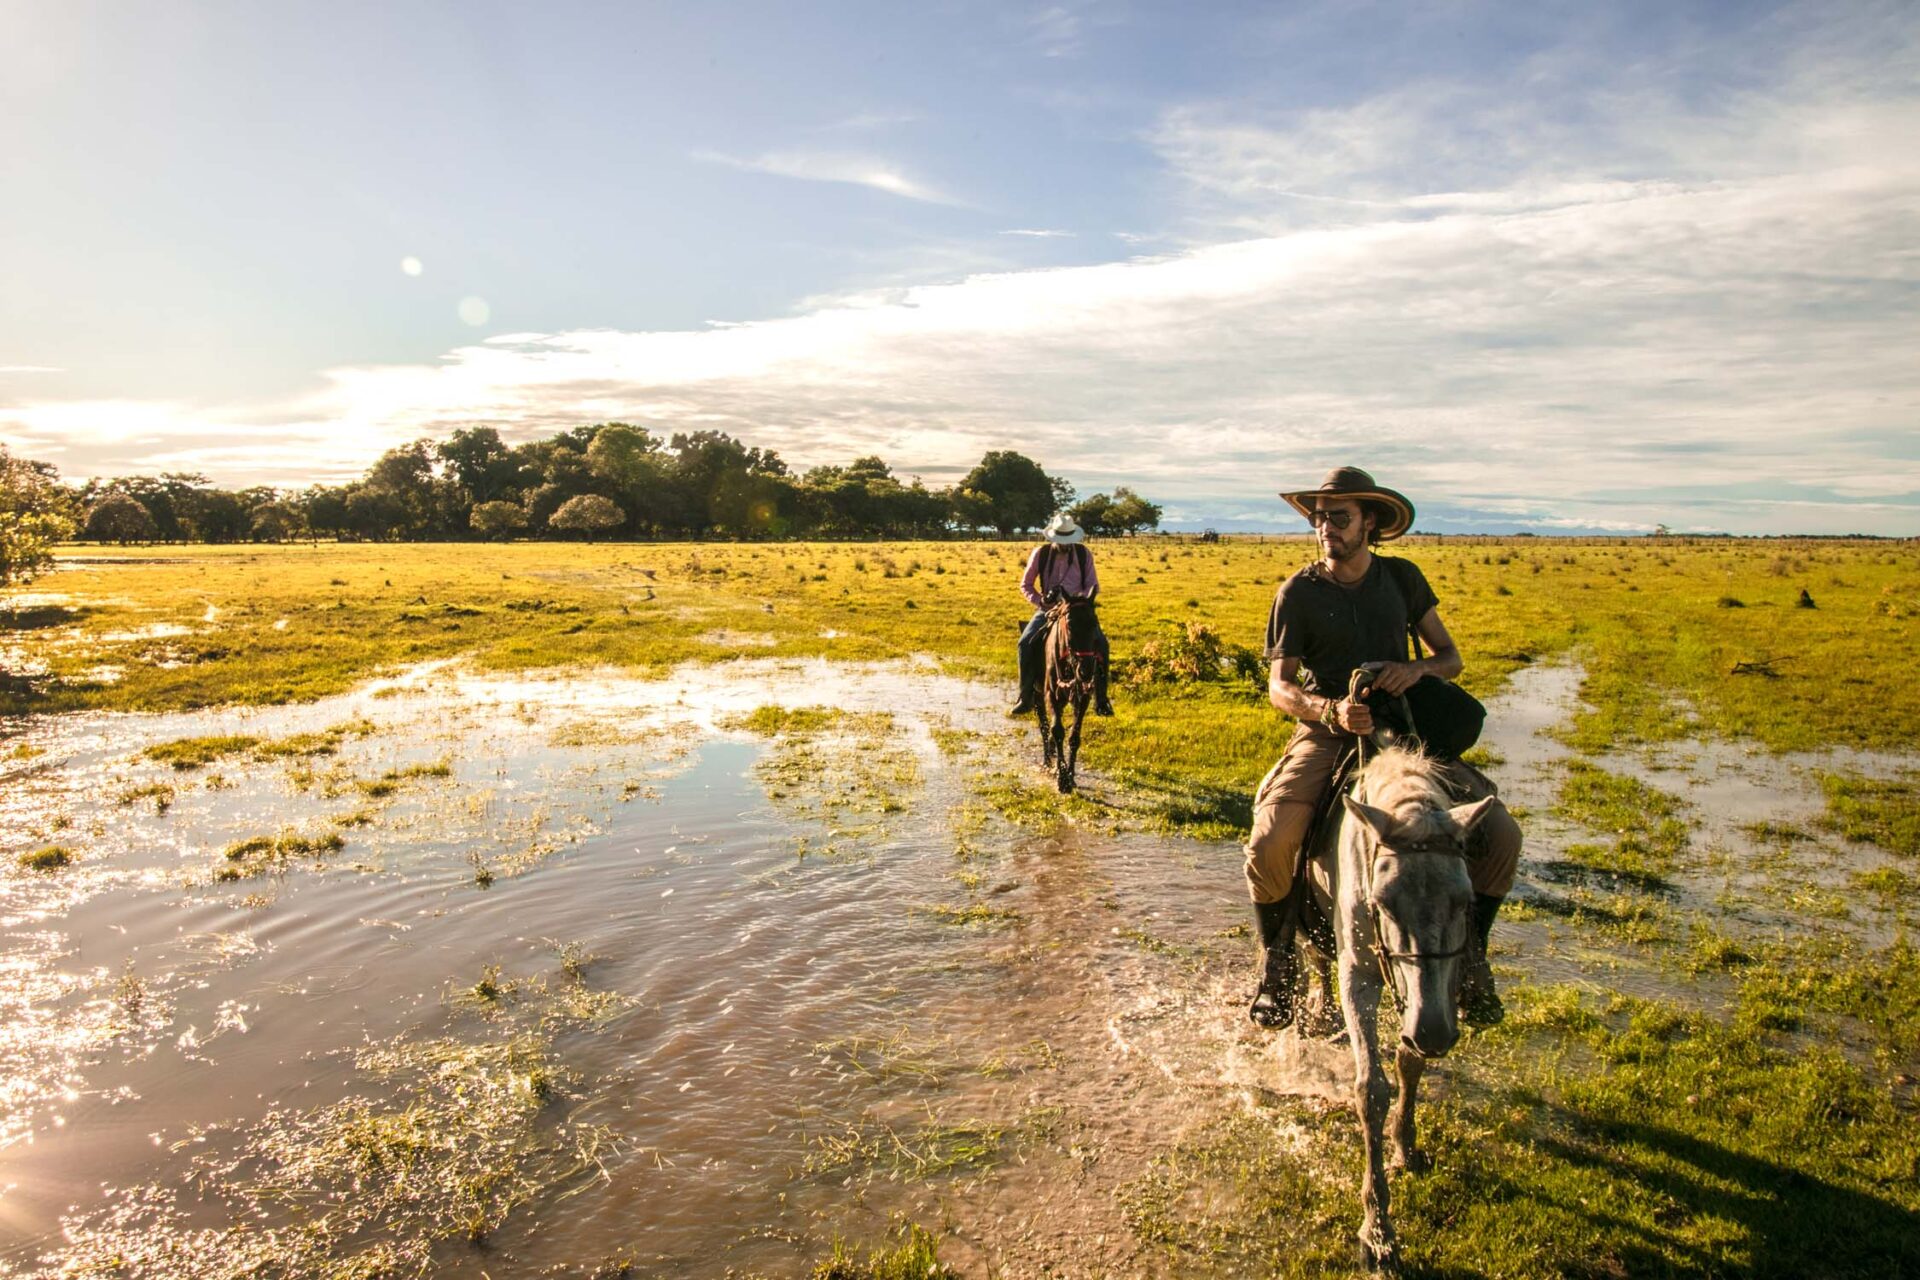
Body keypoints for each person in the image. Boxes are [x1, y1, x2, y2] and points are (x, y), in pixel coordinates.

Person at [1244, 467, 1520, 1028]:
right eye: (1319, 517)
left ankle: (1472, 960)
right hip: (1329, 729)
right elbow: (1279, 687)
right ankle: (1277, 963)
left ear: (1370, 522)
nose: (1326, 527)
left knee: (1502, 837)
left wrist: (1410, 670)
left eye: (1338, 517)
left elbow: (1451, 658)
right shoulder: (1297, 591)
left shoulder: (1402, 579)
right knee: (1271, 840)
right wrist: (1329, 711)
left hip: (1405, 727)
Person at [1011, 515, 1113, 717]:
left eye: (1068, 541)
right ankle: (1026, 695)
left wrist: (1078, 601)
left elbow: (1092, 585)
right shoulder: (1041, 554)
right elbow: (1026, 585)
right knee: (1025, 643)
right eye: (1062, 540)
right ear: (1053, 537)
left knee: (1102, 644)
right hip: (1048, 609)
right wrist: (1041, 601)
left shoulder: (1084, 555)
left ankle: (1101, 699)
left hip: (1078, 609)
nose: (1065, 545)